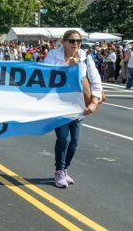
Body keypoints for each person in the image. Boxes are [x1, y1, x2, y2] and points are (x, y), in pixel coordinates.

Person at [44, 30, 102, 189]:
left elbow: (95, 80)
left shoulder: (86, 57)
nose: (75, 44)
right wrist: (66, 65)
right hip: (59, 104)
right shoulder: (53, 55)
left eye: (78, 41)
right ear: (63, 42)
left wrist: (94, 101)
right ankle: (59, 170)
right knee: (64, 138)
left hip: (78, 105)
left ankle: (65, 168)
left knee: (74, 141)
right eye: (71, 41)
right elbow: (46, 75)